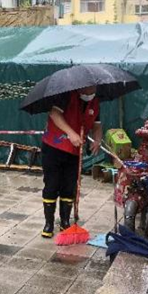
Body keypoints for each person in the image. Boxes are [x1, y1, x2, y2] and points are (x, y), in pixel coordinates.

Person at [40, 86, 103, 238]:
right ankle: (49, 223)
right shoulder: (66, 94)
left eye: (94, 88)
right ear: (82, 86)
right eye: (89, 87)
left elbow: (97, 125)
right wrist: (71, 133)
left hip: (75, 152)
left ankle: (65, 222)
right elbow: (54, 114)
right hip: (54, 147)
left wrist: (97, 139)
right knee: (52, 185)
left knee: (69, 186)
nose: (91, 91)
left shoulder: (95, 102)